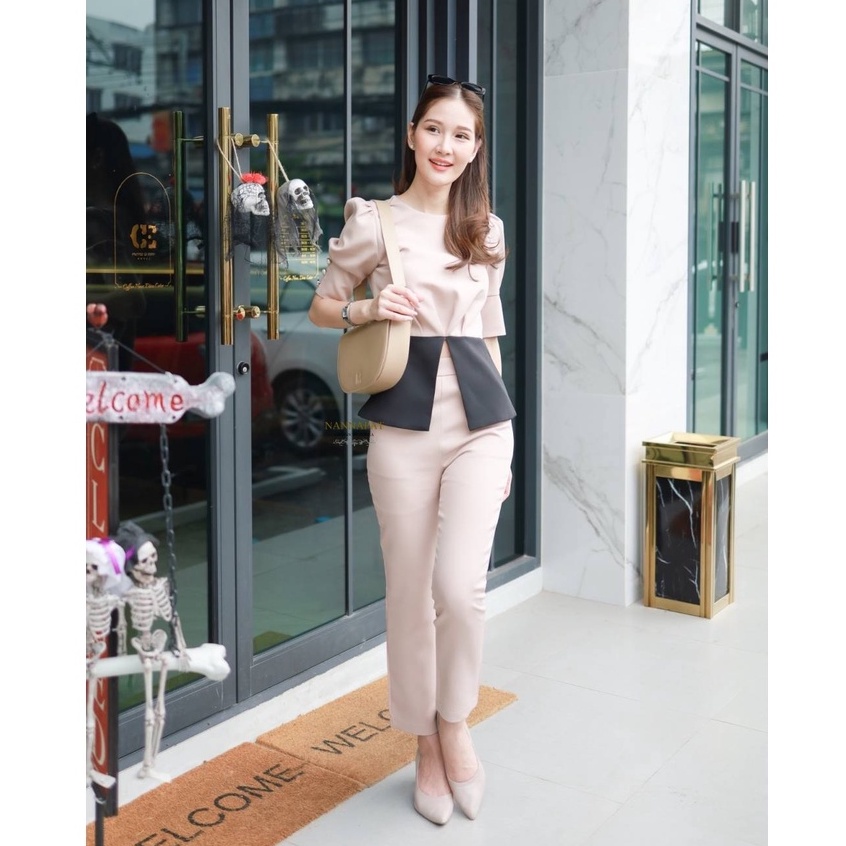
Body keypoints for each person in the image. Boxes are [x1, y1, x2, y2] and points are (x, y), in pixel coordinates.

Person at [308, 74, 515, 825]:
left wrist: (505, 444)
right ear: (412, 135)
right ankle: (423, 742)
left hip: (481, 423)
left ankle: (455, 723)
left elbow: (489, 330)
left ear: (476, 147)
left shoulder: (486, 231)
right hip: (402, 425)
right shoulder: (375, 221)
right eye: (434, 129)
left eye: (461, 135)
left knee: (459, 589)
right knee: (409, 592)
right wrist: (367, 306)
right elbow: (322, 305)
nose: (445, 146)